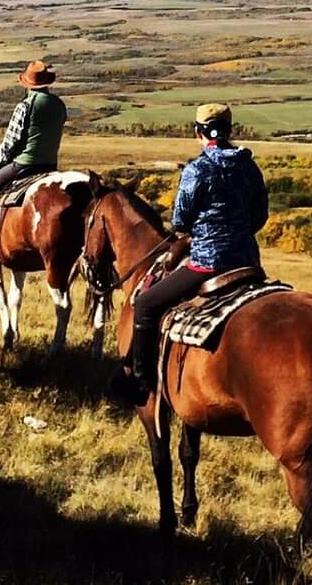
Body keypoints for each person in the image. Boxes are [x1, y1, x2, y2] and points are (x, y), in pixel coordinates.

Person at [113, 102, 268, 406]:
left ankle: (141, 383)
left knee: (145, 303)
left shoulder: (197, 169)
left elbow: (181, 221)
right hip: (248, 261)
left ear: (198, 132)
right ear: (229, 131)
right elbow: (259, 215)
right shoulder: (249, 166)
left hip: (207, 263)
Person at [0, 60, 66, 207]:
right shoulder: (59, 104)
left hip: (25, 164)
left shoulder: (25, 105)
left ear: (26, 83)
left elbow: (9, 143)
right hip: (50, 165)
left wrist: (3, 163)